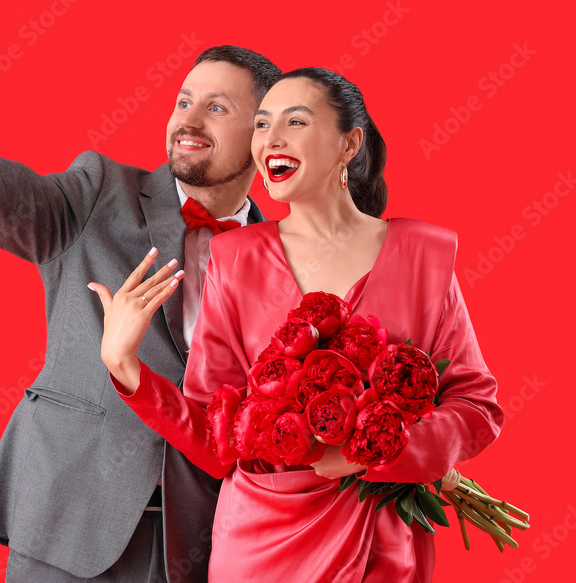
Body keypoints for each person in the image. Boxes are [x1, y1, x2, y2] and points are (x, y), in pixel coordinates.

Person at [0, 4, 282, 581]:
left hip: (205, 541)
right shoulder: (99, 192)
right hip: (71, 519)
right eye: (184, 101)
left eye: (217, 108)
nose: (189, 120)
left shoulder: (287, 258)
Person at [90, 67, 504, 582]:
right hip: (260, 547)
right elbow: (216, 442)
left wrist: (376, 450)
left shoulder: (422, 254)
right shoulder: (234, 259)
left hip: (382, 547)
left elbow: (477, 406)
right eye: (262, 125)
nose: (271, 140)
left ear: (350, 144)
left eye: (296, 122)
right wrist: (124, 366)